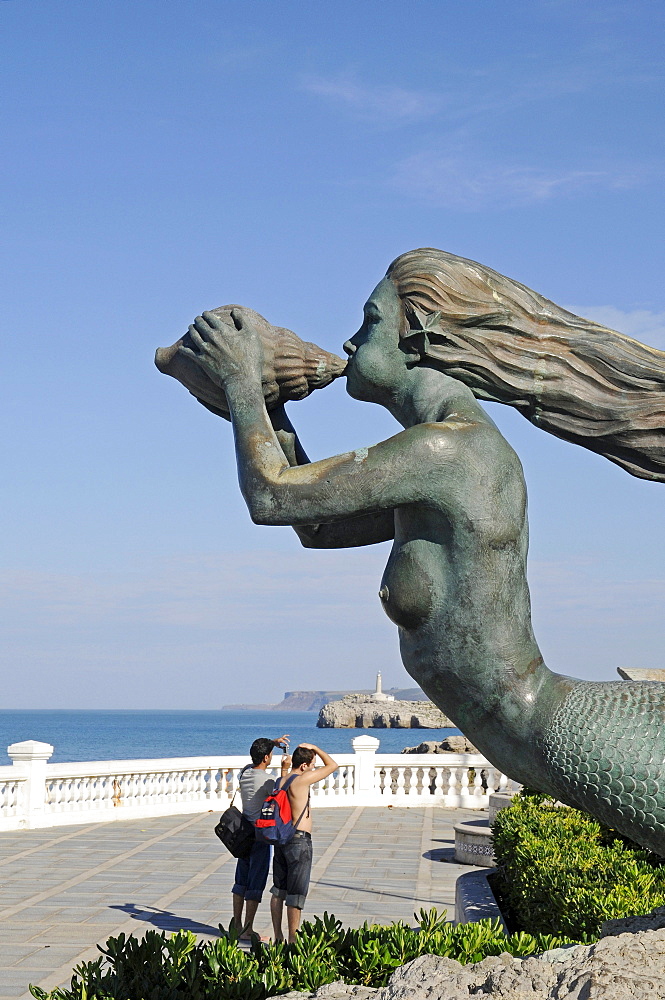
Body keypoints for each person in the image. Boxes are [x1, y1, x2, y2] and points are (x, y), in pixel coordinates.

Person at [179, 248, 665, 856]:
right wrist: (267, 405)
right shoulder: (433, 458)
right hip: (535, 734)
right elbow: (317, 527)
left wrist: (240, 381)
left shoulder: (449, 452)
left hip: (558, 728)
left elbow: (271, 498)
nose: (352, 341)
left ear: (420, 339)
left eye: (371, 321)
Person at [269, 742, 337, 943]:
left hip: (281, 839)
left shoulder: (281, 781)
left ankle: (278, 936)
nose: (314, 768)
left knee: (278, 891)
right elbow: (333, 766)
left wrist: (285, 766)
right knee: (296, 895)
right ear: (305, 765)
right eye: (312, 764)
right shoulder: (302, 780)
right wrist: (316, 748)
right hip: (299, 841)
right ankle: (292, 939)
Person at [232, 734, 290, 940]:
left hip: (243, 832)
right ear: (266, 757)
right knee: (255, 883)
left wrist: (270, 744)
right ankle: (247, 929)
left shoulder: (245, 773)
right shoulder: (267, 780)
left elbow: (253, 764)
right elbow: (282, 792)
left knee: (241, 879)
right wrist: (284, 770)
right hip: (259, 835)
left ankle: (236, 924)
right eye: (271, 754)